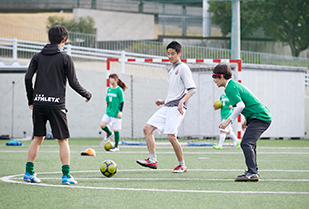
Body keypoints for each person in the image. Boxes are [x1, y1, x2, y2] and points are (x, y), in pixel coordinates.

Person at [24, 25, 92, 184]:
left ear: (48, 39)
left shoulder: (37, 56)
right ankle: (66, 176)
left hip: (39, 103)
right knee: (63, 140)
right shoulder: (65, 58)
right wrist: (87, 94)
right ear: (64, 40)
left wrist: (31, 99)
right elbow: (73, 83)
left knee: (37, 138)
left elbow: (27, 78)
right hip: (56, 105)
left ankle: (28, 173)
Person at [136, 41, 197, 173]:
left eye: (172, 54)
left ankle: (182, 165)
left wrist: (182, 102)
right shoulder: (172, 70)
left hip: (177, 108)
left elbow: (192, 89)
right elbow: (175, 92)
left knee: (171, 137)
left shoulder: (183, 68)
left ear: (179, 54)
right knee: (147, 129)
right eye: (168, 54)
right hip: (167, 106)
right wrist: (163, 101)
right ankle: (152, 160)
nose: (170, 56)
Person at [212, 64, 271, 182]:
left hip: (260, 117)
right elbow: (249, 102)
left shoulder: (229, 88)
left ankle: (252, 172)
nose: (213, 80)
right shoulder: (233, 85)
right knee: (250, 143)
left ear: (222, 76)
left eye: (215, 76)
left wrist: (228, 120)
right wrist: (247, 119)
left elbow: (241, 105)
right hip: (258, 116)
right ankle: (253, 171)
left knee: (246, 143)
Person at [99, 74, 127, 152]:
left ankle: (116, 147)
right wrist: (107, 109)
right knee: (102, 125)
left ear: (115, 79)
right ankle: (109, 133)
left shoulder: (119, 90)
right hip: (108, 112)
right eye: (109, 78)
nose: (109, 80)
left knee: (116, 130)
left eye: (111, 78)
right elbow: (107, 100)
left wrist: (120, 111)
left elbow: (122, 102)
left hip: (116, 113)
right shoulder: (109, 89)